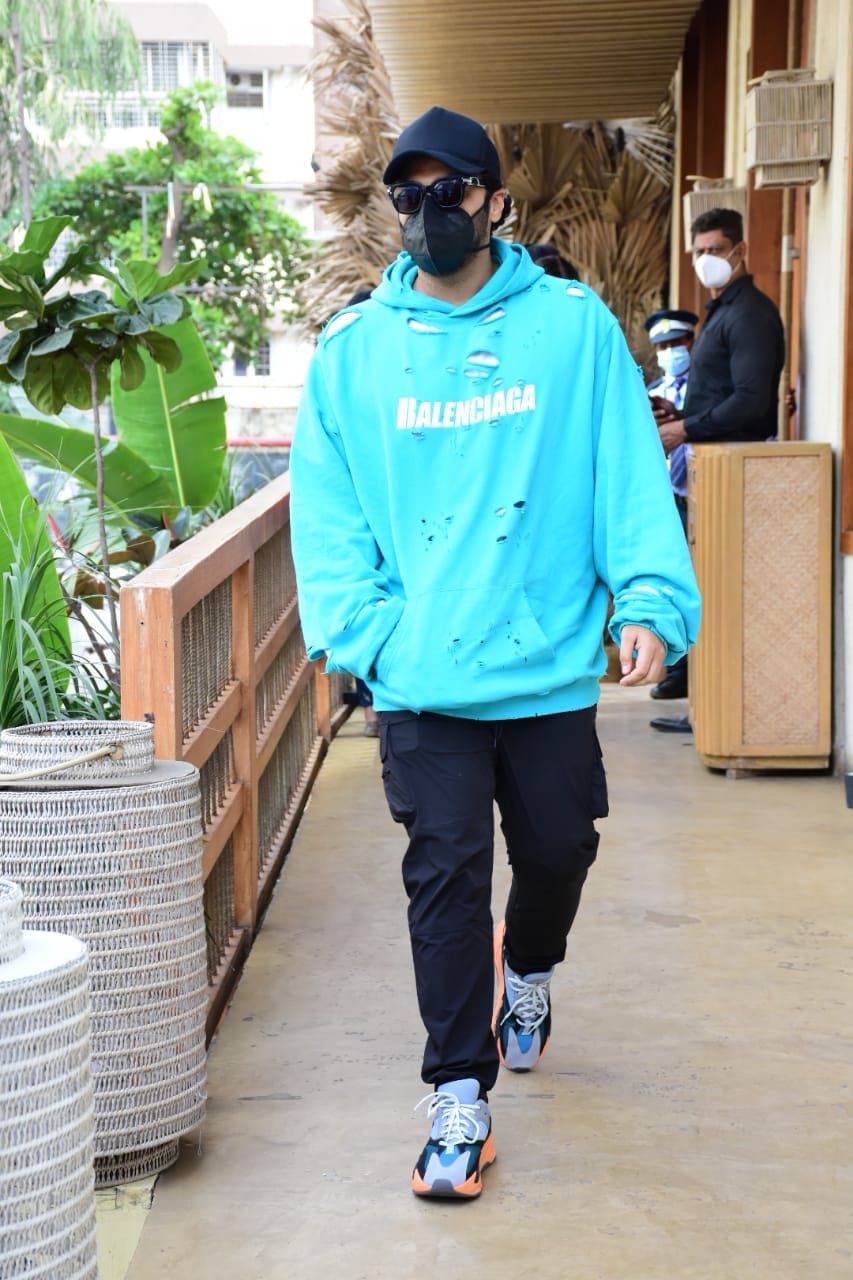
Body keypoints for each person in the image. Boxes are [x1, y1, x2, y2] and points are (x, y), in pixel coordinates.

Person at [289, 105, 701, 1200]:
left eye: (453, 191)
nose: (432, 212)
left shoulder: (570, 329)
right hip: (423, 676)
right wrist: (373, 638)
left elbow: (625, 473)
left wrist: (648, 600)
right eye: (409, 195)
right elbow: (327, 526)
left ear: (496, 200)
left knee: (559, 847)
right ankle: (458, 1099)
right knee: (444, 875)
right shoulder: (353, 355)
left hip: (545, 668)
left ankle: (532, 967)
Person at [650, 206, 784, 733]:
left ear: (741, 250)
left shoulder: (749, 312)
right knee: (707, 592)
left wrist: (685, 430)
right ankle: (707, 704)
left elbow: (752, 402)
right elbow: (721, 394)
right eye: (699, 251)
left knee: (723, 597)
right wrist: (679, 416)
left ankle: (720, 709)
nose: (707, 259)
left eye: (715, 249)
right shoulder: (720, 310)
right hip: (713, 468)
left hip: (736, 471)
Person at [644, 307, 698, 701]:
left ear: (691, 342)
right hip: (666, 499)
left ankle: (691, 670)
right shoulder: (651, 393)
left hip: (700, 495)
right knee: (671, 583)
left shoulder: (705, 388)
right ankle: (677, 669)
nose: (670, 351)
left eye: (676, 343)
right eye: (662, 346)